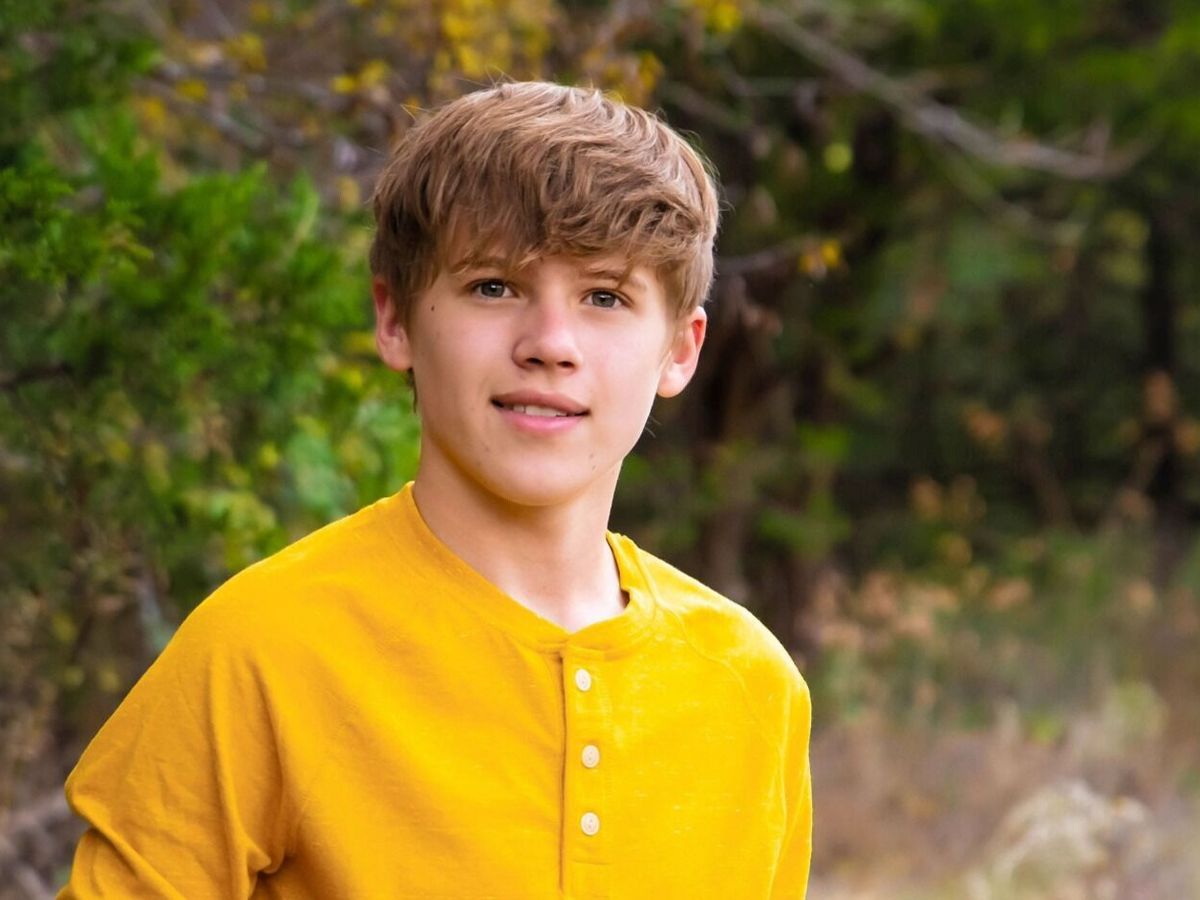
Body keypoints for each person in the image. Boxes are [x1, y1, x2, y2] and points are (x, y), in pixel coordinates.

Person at [60, 80, 812, 899]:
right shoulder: (261, 654)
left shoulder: (751, 687)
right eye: (494, 287)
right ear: (395, 321)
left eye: (605, 297)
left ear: (681, 349)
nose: (550, 344)